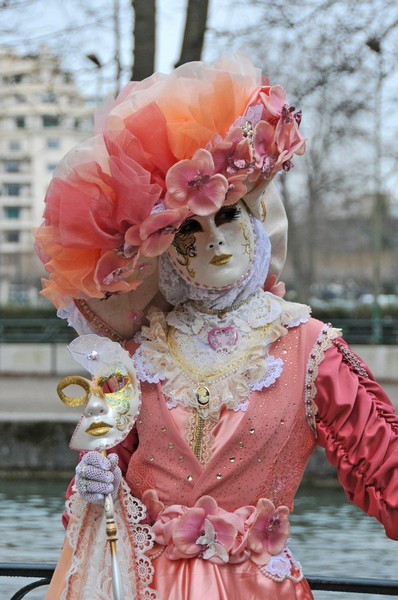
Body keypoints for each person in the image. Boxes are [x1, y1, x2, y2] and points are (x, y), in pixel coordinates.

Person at [35, 55, 398, 600]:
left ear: (254, 222)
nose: (213, 240)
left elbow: (384, 469)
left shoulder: (309, 348)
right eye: (188, 230)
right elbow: (102, 471)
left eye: (226, 216)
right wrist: (92, 484)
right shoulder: (136, 356)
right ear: (167, 255)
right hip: (141, 587)